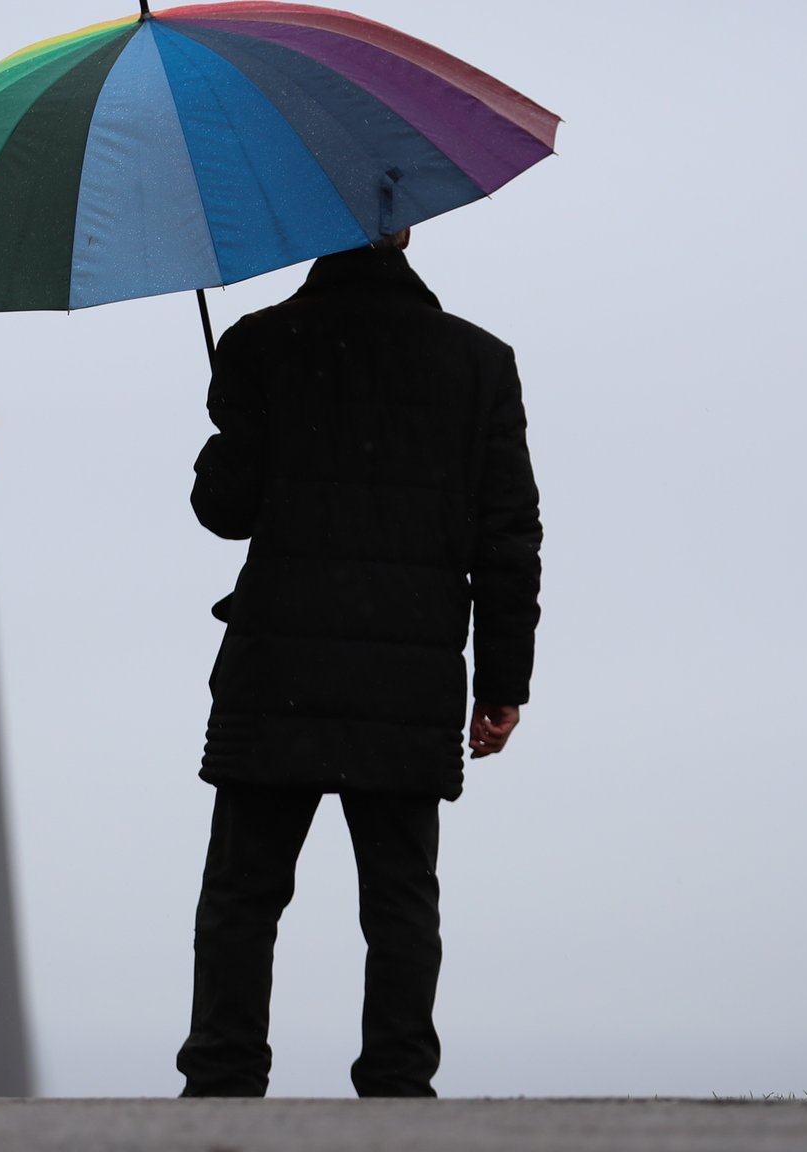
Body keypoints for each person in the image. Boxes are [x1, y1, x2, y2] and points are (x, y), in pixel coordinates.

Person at [177, 228, 543, 1098]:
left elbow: (224, 511)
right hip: (407, 670)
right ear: (405, 226)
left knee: (244, 890)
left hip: (280, 666)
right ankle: (399, 1083)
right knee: (400, 895)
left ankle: (223, 1079)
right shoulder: (479, 363)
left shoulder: (263, 344)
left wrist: (229, 419)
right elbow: (508, 538)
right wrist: (502, 684)